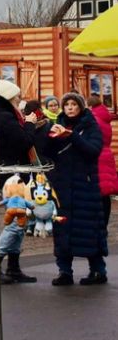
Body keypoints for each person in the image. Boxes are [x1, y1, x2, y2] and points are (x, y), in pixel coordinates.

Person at [0, 80, 40, 283]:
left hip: (10, 172)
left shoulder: (0, 115)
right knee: (15, 222)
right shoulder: (4, 117)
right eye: (17, 97)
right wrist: (30, 125)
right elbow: (23, 142)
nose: (19, 101)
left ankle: (13, 267)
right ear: (9, 98)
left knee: (20, 220)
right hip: (10, 173)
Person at [41, 92, 108, 285]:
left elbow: (93, 150)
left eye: (73, 104)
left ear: (81, 106)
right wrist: (50, 135)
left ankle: (97, 270)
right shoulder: (59, 122)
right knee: (62, 227)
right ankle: (65, 272)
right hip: (62, 185)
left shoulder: (90, 125)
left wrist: (72, 137)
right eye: (67, 104)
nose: (70, 107)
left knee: (89, 228)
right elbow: (47, 152)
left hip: (85, 185)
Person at [88, 94, 118, 230]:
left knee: (96, 194)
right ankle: (103, 224)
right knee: (105, 194)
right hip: (106, 155)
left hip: (96, 156)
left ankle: (98, 225)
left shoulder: (93, 119)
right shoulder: (104, 118)